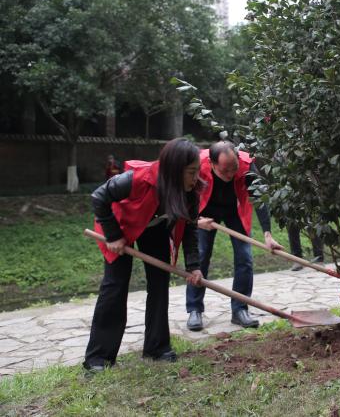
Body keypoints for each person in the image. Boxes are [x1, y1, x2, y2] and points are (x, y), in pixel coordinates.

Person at [84, 138, 204, 372]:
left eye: (197, 171)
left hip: (155, 227)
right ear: (174, 171)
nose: (196, 178)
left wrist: (194, 266)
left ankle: (157, 348)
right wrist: (113, 235)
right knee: (115, 286)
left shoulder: (191, 191)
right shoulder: (136, 179)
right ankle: (99, 358)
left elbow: (190, 228)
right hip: (121, 226)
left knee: (160, 283)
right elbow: (99, 197)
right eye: (191, 172)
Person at [186, 141, 282, 331]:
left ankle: (240, 309)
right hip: (205, 211)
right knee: (201, 257)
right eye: (225, 171)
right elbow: (184, 195)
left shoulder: (247, 165)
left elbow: (260, 199)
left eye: (233, 169)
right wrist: (195, 221)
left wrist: (268, 234)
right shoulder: (198, 164)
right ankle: (194, 309)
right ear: (212, 164)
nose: (230, 174)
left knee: (245, 258)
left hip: (234, 210)